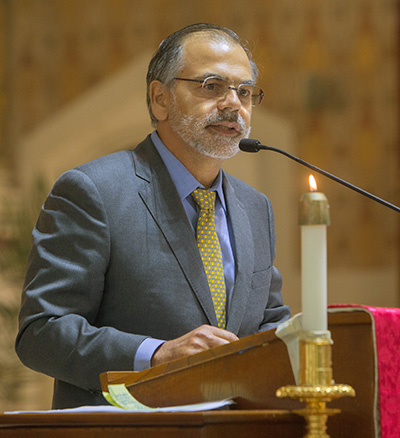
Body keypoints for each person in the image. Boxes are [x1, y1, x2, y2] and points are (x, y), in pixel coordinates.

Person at [15, 23, 290, 409]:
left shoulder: (255, 207)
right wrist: (156, 354)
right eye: (211, 86)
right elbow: (41, 334)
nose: (234, 104)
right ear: (159, 99)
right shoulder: (92, 191)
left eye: (244, 92)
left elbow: (268, 321)